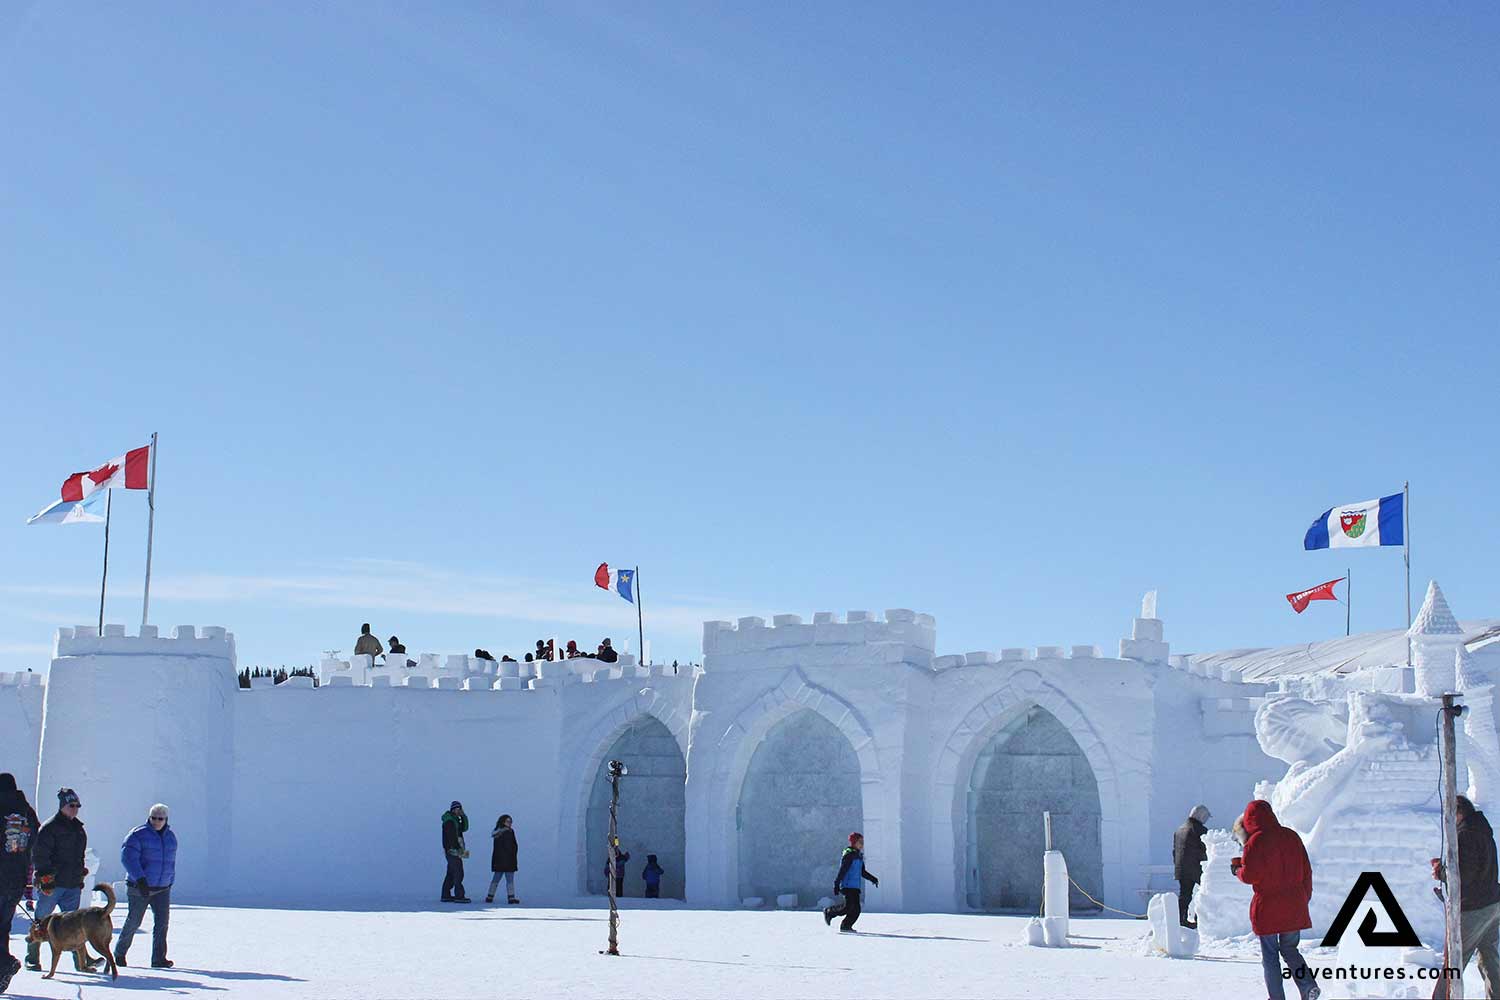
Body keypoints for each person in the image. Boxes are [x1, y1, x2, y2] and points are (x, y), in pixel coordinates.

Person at [1233, 800, 1319, 1000]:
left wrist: (1237, 870)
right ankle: (1307, 986)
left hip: (1268, 908)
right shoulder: (1291, 836)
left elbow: (1250, 875)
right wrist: (1303, 897)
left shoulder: (1256, 841)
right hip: (1294, 904)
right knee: (1290, 949)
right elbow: (1306, 871)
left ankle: (1277, 997)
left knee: (1270, 956)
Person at [25, 788, 103, 973]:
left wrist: (80, 872)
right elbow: (40, 855)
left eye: (77, 806)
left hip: (72, 884)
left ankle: (82, 961)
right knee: (41, 921)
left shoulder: (78, 829)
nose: (75, 809)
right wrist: (44, 877)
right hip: (51, 885)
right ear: (62, 806)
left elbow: (79, 856)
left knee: (74, 925)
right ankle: (32, 957)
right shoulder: (49, 828)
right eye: (71, 805)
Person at [1430, 795, 1500, 999]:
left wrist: (1441, 872)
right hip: (1493, 903)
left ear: (1457, 812)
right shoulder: (1481, 827)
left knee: (1454, 961)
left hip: (1475, 909)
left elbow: (1463, 875)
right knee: (1490, 958)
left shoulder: (1466, 835)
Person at [115, 803, 176, 969]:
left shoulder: (170, 837)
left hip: (162, 888)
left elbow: (170, 862)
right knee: (134, 921)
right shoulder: (138, 834)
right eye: (154, 818)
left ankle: (158, 958)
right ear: (149, 817)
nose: (157, 821)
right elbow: (128, 858)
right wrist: (140, 879)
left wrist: (170, 880)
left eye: (160, 818)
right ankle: (119, 953)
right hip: (139, 887)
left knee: (162, 923)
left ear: (166, 819)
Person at [0, 773, 39, 992]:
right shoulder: (27, 811)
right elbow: (35, 838)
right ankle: (1, 973)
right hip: (17, 881)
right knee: (3, 927)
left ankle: (5, 963)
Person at [823, 832, 878, 933]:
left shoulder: (859, 856)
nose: (862, 844)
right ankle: (829, 912)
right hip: (847, 886)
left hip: (856, 887)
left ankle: (846, 926)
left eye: (862, 842)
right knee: (847, 907)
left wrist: (873, 879)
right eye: (860, 842)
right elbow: (842, 870)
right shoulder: (849, 855)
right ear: (854, 843)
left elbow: (862, 872)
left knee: (856, 910)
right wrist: (836, 883)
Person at [1173, 804, 1211, 928]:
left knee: (1184, 895)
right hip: (1196, 868)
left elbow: (1175, 851)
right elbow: (1206, 850)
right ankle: (1199, 919)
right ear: (1201, 816)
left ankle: (1180, 919)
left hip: (1181, 868)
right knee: (1204, 893)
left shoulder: (1179, 830)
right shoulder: (1200, 830)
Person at [441, 801, 470, 903]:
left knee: (451, 872)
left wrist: (463, 816)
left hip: (454, 849)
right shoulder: (449, 820)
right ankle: (459, 895)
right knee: (458, 871)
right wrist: (457, 848)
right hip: (452, 849)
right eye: (457, 809)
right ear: (453, 809)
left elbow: (465, 828)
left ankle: (445, 894)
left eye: (460, 809)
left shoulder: (456, 819)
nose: (458, 811)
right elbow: (451, 836)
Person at [486, 814, 519, 905]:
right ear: (503, 822)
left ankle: (490, 896)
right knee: (509, 880)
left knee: (497, 879)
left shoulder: (498, 832)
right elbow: (511, 847)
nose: (510, 823)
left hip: (499, 860)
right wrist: (512, 856)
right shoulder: (508, 832)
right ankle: (511, 898)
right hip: (508, 860)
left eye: (511, 821)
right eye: (508, 821)